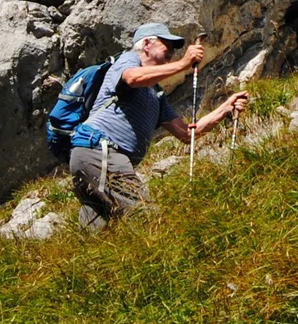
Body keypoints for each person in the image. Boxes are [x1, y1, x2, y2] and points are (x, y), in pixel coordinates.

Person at [70, 23, 250, 230]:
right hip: (100, 151)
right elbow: (132, 78)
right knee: (147, 217)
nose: (173, 52)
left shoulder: (156, 95)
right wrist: (184, 63)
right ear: (147, 44)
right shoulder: (129, 60)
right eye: (168, 46)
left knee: (105, 231)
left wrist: (226, 108)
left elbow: (187, 134)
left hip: (93, 156)